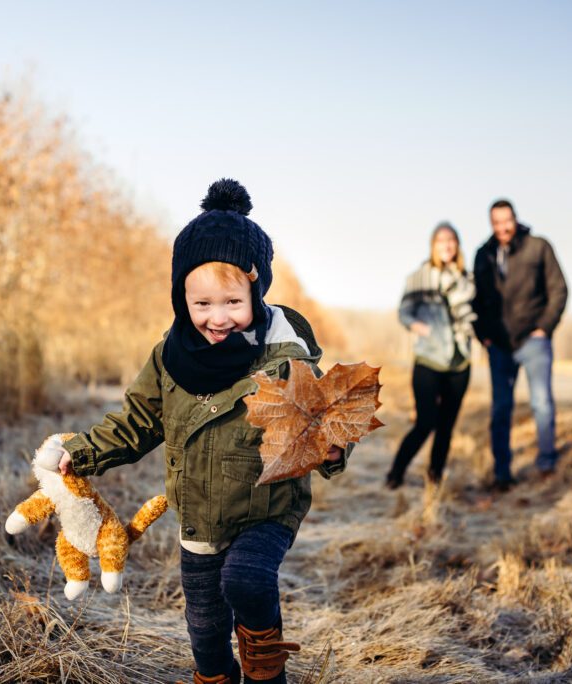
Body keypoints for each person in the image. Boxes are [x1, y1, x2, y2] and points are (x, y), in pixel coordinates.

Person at [52, 179, 351, 684]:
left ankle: (264, 669)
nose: (218, 319)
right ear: (181, 297)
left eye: (233, 302)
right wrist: (83, 453)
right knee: (206, 637)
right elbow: (139, 420)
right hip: (198, 521)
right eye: (202, 304)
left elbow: (325, 423)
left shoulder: (285, 358)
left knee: (247, 580)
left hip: (266, 508)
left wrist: (330, 447)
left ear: (256, 288)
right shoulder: (171, 356)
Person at [472, 199, 568, 491]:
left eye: (507, 221)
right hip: (499, 345)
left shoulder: (538, 247)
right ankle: (502, 472)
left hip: (533, 341)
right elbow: (474, 299)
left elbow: (559, 289)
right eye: (497, 223)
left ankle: (546, 464)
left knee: (541, 403)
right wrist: (483, 335)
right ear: (491, 224)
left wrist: (544, 328)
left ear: (515, 219)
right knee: (501, 408)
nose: (503, 227)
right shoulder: (483, 254)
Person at [386, 223, 476, 489]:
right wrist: (418, 327)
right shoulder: (420, 277)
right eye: (441, 240)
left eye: (451, 240)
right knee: (426, 422)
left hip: (460, 361)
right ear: (433, 245)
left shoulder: (467, 280)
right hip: (428, 359)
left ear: (457, 245)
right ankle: (395, 473)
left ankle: (434, 480)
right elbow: (404, 311)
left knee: (446, 426)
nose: (447, 245)